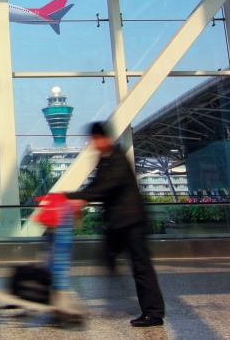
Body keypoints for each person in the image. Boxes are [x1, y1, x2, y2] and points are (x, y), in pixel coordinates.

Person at [66, 122, 165, 328]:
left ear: (103, 139)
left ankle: (153, 313)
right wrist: (72, 196)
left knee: (141, 267)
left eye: (94, 140)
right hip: (119, 223)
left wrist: (79, 197)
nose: (92, 144)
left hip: (132, 223)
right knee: (108, 256)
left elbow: (107, 186)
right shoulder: (105, 160)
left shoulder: (117, 159)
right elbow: (97, 185)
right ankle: (118, 292)